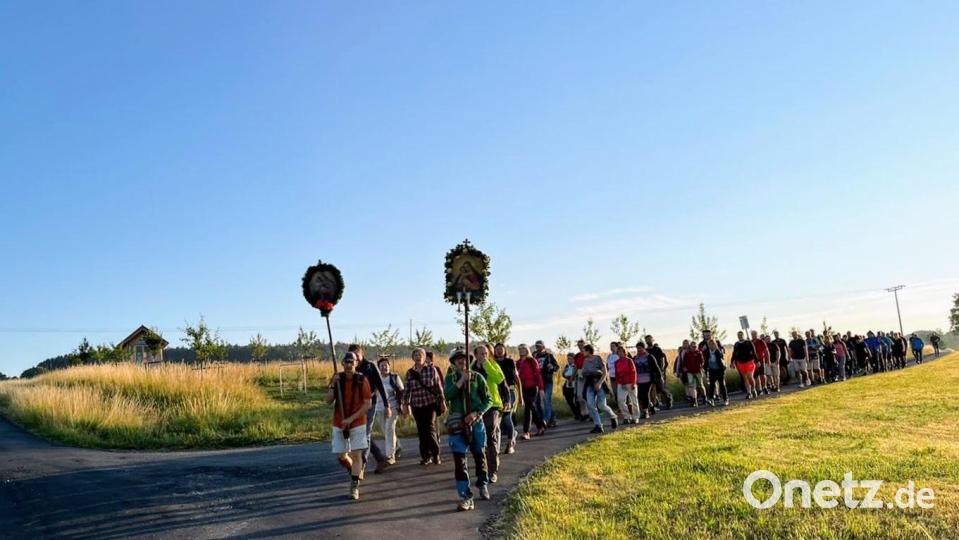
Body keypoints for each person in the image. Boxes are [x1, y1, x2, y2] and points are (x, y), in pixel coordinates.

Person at [444, 350, 492, 511]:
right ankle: (465, 496)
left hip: (476, 423)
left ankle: (483, 483)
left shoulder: (478, 378)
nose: (461, 362)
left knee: (480, 455)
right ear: (454, 362)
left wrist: (476, 413)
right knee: (460, 461)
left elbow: (488, 399)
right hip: (457, 425)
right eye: (458, 359)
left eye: (464, 359)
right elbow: (447, 395)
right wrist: (461, 381)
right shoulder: (450, 378)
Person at [327, 352, 372, 500]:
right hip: (339, 422)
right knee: (341, 456)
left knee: (357, 454)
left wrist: (351, 419)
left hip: (358, 422)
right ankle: (355, 471)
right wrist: (333, 385)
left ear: (355, 364)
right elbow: (327, 400)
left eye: (351, 362)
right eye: (346, 362)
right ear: (342, 363)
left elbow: (367, 404)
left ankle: (354, 485)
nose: (348, 365)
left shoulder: (362, 380)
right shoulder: (337, 379)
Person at [349, 344, 392, 472]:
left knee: (365, 433)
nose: (355, 358)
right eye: (352, 356)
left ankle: (362, 464)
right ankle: (380, 458)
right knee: (360, 433)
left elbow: (380, 386)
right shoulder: (350, 367)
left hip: (370, 404)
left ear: (362, 354)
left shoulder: (370, 366)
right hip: (355, 406)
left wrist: (386, 405)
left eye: (357, 355)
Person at [472, 344, 508, 484]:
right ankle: (484, 467)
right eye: (480, 353)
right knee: (479, 438)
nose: (483, 356)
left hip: (493, 405)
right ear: (475, 355)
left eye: (485, 353)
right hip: (478, 407)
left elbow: (499, 380)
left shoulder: (493, 365)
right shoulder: (472, 367)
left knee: (490, 432)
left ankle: (492, 470)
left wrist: (486, 364)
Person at [403, 348, 445, 466]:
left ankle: (436, 454)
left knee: (430, 428)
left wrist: (443, 402)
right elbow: (407, 390)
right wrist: (405, 405)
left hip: (430, 403)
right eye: (415, 354)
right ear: (413, 358)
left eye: (420, 354)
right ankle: (426, 456)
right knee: (422, 431)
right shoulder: (410, 372)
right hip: (417, 404)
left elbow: (438, 386)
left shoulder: (431, 370)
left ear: (425, 356)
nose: (418, 356)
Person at [374, 357, 405, 469]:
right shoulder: (376, 379)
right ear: (379, 368)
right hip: (379, 408)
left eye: (386, 365)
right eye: (381, 365)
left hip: (393, 407)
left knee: (389, 429)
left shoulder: (394, 377)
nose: (384, 367)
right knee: (385, 431)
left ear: (389, 366)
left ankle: (390, 456)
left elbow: (402, 391)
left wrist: (403, 405)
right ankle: (397, 447)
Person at [581, 345, 618, 433]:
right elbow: (584, 372)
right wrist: (583, 374)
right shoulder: (585, 361)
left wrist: (599, 383)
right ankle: (598, 425)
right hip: (589, 384)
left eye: (584, 351)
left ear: (589, 351)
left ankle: (613, 416)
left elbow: (605, 372)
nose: (583, 352)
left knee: (601, 405)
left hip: (599, 383)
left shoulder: (598, 358)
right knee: (590, 405)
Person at [494, 343, 520, 454]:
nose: (499, 351)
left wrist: (521, 396)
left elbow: (516, 377)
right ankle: (513, 433)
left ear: (505, 350)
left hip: (510, 390)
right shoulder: (492, 363)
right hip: (497, 391)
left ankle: (510, 442)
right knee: (500, 418)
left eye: (501, 349)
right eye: (497, 349)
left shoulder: (510, 362)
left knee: (507, 415)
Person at [516, 344, 546, 439]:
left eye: (523, 349)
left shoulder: (532, 360)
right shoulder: (518, 362)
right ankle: (540, 426)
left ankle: (527, 431)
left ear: (527, 350)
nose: (521, 351)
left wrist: (541, 388)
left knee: (530, 406)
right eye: (520, 349)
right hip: (523, 388)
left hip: (533, 387)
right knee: (529, 408)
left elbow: (538, 375)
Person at [533, 340, 561, 428]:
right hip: (537, 382)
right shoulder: (534, 356)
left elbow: (557, 367)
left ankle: (545, 420)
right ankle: (552, 419)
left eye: (539, 346)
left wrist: (552, 367)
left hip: (547, 381)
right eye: (536, 346)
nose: (538, 347)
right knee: (540, 402)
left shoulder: (549, 356)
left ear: (543, 346)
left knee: (546, 400)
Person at [645, 335, 674, 411]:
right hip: (650, 372)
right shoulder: (646, 351)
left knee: (661, 388)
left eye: (649, 339)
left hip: (659, 371)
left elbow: (662, 359)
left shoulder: (657, 349)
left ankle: (668, 398)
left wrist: (661, 369)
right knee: (653, 389)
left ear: (652, 340)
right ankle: (654, 404)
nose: (648, 341)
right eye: (647, 340)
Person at [613, 343, 638, 423]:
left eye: (621, 352)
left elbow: (633, 372)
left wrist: (633, 383)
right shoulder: (616, 362)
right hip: (621, 383)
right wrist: (619, 383)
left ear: (625, 352)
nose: (620, 353)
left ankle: (635, 417)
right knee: (620, 400)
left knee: (634, 400)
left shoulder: (629, 360)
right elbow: (616, 374)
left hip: (630, 382)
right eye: (618, 352)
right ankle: (627, 416)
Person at [633, 342, 659, 418]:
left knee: (645, 394)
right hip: (638, 380)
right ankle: (651, 406)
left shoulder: (649, 357)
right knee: (640, 396)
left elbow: (656, 367)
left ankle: (645, 412)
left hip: (648, 379)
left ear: (644, 348)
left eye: (640, 348)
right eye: (637, 348)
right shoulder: (635, 358)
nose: (639, 349)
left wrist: (659, 377)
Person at [731, 331, 758, 399]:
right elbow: (734, 354)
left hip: (749, 362)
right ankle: (749, 393)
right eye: (738, 335)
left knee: (750, 376)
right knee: (745, 378)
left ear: (743, 335)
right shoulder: (736, 344)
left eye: (741, 335)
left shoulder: (748, 342)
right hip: (740, 363)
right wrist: (732, 362)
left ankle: (753, 389)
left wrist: (757, 361)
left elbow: (754, 352)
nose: (740, 336)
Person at [681, 341, 707, 406]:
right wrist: (684, 367)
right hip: (690, 372)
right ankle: (694, 400)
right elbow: (684, 362)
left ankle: (704, 398)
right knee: (691, 386)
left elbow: (702, 361)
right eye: (693, 346)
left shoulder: (699, 353)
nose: (694, 348)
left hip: (698, 371)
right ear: (690, 347)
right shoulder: (687, 354)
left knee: (700, 385)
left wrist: (701, 366)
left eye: (695, 346)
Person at [704, 339, 728, 406]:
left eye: (713, 344)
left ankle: (725, 399)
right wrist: (705, 368)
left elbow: (721, 358)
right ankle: (711, 399)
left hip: (719, 370)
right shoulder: (707, 352)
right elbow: (705, 361)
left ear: (715, 345)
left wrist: (723, 367)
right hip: (712, 370)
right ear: (708, 345)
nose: (711, 345)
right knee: (712, 385)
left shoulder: (718, 351)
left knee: (722, 385)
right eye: (710, 344)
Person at [561, 353, 582, 421]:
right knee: (569, 400)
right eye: (568, 359)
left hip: (575, 383)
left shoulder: (576, 366)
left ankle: (579, 414)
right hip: (568, 383)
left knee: (576, 400)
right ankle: (576, 413)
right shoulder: (567, 365)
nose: (569, 360)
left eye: (570, 359)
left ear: (574, 359)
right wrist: (564, 373)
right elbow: (563, 374)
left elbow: (578, 374)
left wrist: (571, 377)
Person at [572, 340, 589, 420]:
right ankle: (584, 413)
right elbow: (575, 367)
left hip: (589, 376)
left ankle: (592, 413)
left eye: (582, 345)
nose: (580, 346)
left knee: (588, 395)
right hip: (580, 376)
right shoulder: (577, 356)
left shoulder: (589, 354)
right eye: (579, 345)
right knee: (579, 395)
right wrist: (572, 377)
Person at [751, 331, 770, 395]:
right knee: (756, 376)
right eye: (752, 334)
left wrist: (768, 360)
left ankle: (764, 387)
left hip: (761, 360)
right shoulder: (750, 342)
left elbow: (766, 351)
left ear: (757, 335)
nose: (753, 335)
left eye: (754, 334)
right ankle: (759, 389)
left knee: (762, 374)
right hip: (754, 362)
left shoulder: (761, 341)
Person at [606, 341, 620, 410]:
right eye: (611, 346)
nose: (612, 348)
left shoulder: (619, 355)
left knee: (620, 392)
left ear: (617, 347)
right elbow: (607, 366)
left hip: (620, 377)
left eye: (613, 346)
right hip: (612, 377)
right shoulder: (609, 356)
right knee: (615, 393)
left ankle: (625, 407)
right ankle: (619, 407)